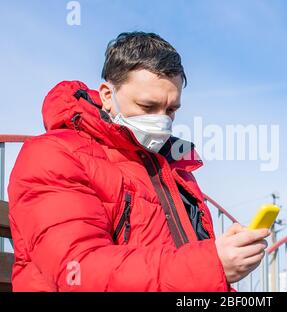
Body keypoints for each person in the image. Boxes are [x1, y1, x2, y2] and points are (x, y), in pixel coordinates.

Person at [7, 32, 270, 291]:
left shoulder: (171, 167)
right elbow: (78, 271)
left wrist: (223, 259)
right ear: (108, 96)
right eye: (147, 106)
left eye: (171, 110)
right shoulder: (54, 154)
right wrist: (210, 263)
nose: (162, 121)